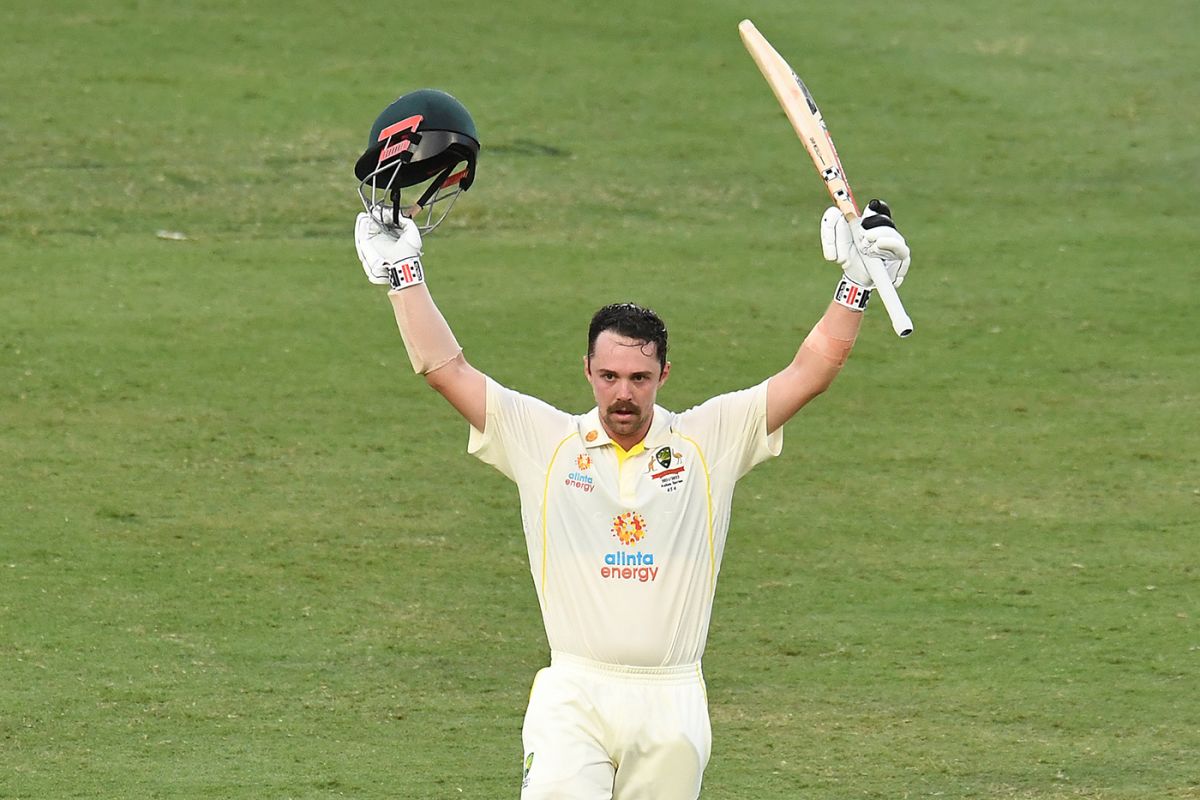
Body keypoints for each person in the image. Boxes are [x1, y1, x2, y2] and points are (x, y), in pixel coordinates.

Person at [353, 199, 910, 798]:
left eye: (639, 379)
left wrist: (855, 286)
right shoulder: (544, 442)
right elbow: (446, 369)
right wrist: (404, 277)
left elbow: (808, 373)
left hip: (672, 701)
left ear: (664, 375)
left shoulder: (707, 440)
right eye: (610, 377)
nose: (624, 394)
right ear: (587, 370)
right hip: (574, 696)